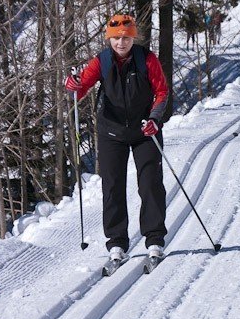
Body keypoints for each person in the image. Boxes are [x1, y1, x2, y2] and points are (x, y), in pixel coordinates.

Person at [65, 14, 169, 265]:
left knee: (150, 183)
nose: (121, 43)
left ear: (133, 37)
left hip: (146, 130)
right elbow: (81, 88)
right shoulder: (102, 61)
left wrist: (154, 119)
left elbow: (162, 91)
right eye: (116, 39)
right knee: (112, 186)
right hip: (111, 131)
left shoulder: (147, 59)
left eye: (125, 38)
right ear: (109, 40)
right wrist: (73, 86)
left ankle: (154, 240)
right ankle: (116, 243)